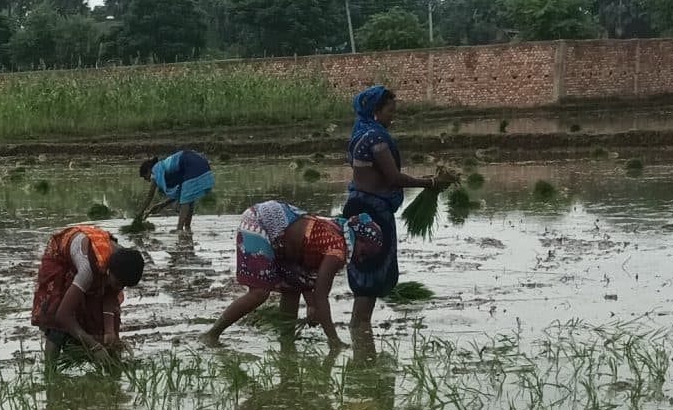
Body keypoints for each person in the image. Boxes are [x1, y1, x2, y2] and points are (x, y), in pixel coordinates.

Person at [344, 86, 453, 331]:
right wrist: (430, 183)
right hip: (372, 212)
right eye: (390, 111)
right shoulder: (377, 138)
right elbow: (392, 178)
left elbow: (378, 176)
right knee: (370, 276)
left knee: (364, 271)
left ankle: (359, 333)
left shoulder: (360, 134)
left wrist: (423, 180)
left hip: (357, 207)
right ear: (375, 111)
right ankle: (360, 332)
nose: (393, 116)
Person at [202, 204, 387, 348]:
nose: (360, 259)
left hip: (282, 234)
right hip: (260, 223)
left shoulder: (339, 231)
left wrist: (311, 304)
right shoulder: (337, 251)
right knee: (259, 292)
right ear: (359, 239)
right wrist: (333, 339)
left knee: (291, 289)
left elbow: (304, 273)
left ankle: (286, 341)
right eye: (363, 253)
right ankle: (212, 334)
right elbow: (322, 295)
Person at [32, 223, 146, 363]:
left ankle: (112, 369)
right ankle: (50, 374)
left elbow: (111, 293)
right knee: (56, 316)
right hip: (61, 257)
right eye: (118, 283)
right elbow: (63, 315)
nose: (120, 288)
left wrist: (110, 331)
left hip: (93, 255)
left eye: (123, 286)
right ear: (109, 271)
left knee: (104, 317)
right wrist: (94, 346)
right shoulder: (88, 269)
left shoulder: (122, 262)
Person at [133, 150, 214, 232]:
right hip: (201, 163)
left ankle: (179, 230)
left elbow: (150, 196)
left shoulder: (156, 170)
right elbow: (181, 192)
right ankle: (187, 228)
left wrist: (139, 215)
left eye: (146, 177)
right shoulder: (165, 168)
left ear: (149, 169)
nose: (149, 180)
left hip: (190, 162)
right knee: (189, 199)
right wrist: (162, 204)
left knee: (185, 201)